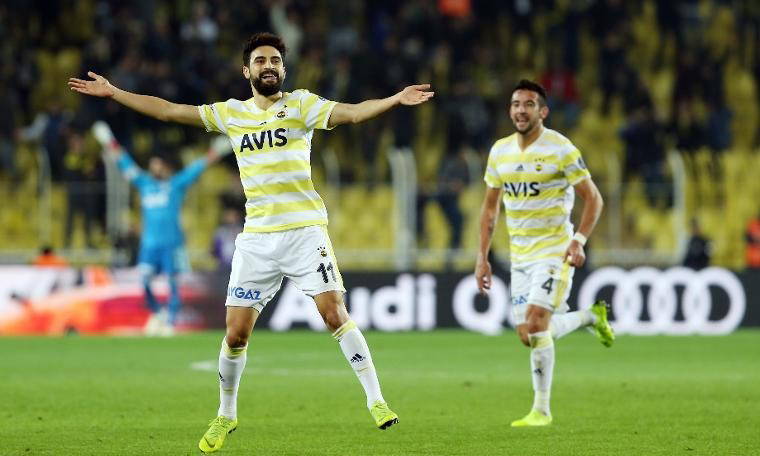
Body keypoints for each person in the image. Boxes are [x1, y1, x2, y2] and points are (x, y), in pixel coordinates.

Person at [70, 32, 433, 452]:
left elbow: (351, 114)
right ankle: (226, 414)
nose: (269, 66)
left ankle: (376, 400)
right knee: (236, 335)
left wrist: (394, 100)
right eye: (261, 60)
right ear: (247, 71)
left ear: (283, 68)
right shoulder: (231, 114)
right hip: (257, 239)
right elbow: (169, 110)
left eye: (275, 60)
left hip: (304, 231)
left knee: (334, 312)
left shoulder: (302, 105)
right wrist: (114, 93)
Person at [474, 80, 613, 427]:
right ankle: (590, 317)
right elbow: (490, 210)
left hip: (554, 251)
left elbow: (594, 198)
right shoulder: (500, 152)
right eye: (515, 104)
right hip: (520, 256)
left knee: (537, 323)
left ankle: (542, 410)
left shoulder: (561, 149)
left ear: (543, 111)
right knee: (528, 334)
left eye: (529, 104)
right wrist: (482, 257)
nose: (521, 110)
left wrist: (578, 239)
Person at [91, 121, 229, 336]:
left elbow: (196, 168)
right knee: (144, 281)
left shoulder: (176, 184)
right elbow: (125, 163)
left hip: (172, 244)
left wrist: (216, 152)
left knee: (173, 283)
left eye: (156, 164)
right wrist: (108, 140)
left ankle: (171, 322)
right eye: (152, 165)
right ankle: (157, 313)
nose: (153, 168)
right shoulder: (144, 183)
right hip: (149, 245)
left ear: (165, 167)